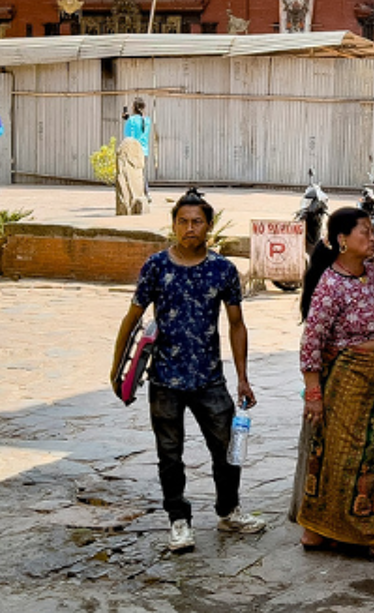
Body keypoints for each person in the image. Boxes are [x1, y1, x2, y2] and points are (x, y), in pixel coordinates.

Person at [109, 189, 267, 553]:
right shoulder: (156, 267)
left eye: (197, 222)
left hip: (210, 378)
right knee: (169, 454)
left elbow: (237, 324)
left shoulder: (223, 270)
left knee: (228, 449)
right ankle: (178, 521)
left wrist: (242, 377)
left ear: (209, 226)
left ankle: (228, 511)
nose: (189, 228)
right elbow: (133, 318)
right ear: (174, 225)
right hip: (164, 379)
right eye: (183, 221)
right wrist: (117, 369)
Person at [294, 206, 374, 569]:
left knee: (363, 451)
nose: (372, 237)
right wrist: (314, 393)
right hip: (349, 380)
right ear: (342, 240)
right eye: (365, 231)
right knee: (355, 459)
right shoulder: (331, 284)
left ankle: (317, 529)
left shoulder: (370, 272)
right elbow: (311, 340)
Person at [116, 98, 153, 215]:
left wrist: (128, 119)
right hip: (144, 152)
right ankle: (146, 194)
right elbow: (140, 127)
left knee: (131, 177)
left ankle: (134, 197)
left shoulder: (131, 120)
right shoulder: (147, 120)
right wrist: (129, 119)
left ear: (133, 108)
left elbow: (129, 137)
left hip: (133, 152)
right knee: (140, 175)